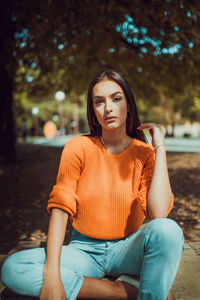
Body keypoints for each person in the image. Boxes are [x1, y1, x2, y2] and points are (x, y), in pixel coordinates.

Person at [1, 70, 184, 300]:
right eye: (99, 102)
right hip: (83, 251)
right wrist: (52, 274)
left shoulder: (144, 154)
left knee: (169, 231)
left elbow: (158, 213)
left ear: (129, 105)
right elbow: (60, 207)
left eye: (116, 98)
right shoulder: (77, 148)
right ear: (93, 110)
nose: (108, 108)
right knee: (13, 268)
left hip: (128, 249)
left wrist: (160, 149)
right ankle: (120, 291)